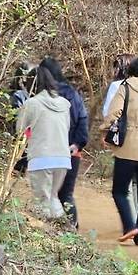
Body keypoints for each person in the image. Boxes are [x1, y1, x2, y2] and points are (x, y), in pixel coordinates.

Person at [100, 57, 138, 246]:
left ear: (130, 72)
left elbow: (113, 114)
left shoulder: (125, 87)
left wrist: (105, 131)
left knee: (119, 191)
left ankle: (129, 227)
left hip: (128, 147)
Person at [39, 57, 89, 229]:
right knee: (66, 194)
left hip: (47, 153)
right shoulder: (73, 95)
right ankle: (72, 230)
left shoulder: (41, 97)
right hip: (71, 152)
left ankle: (53, 233)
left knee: (47, 194)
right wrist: (78, 144)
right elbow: (82, 120)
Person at [17, 66, 71, 220]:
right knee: (53, 197)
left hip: (40, 157)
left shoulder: (31, 104)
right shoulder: (65, 103)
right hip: (62, 158)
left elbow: (20, 129)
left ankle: (47, 233)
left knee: (42, 202)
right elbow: (66, 127)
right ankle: (62, 231)